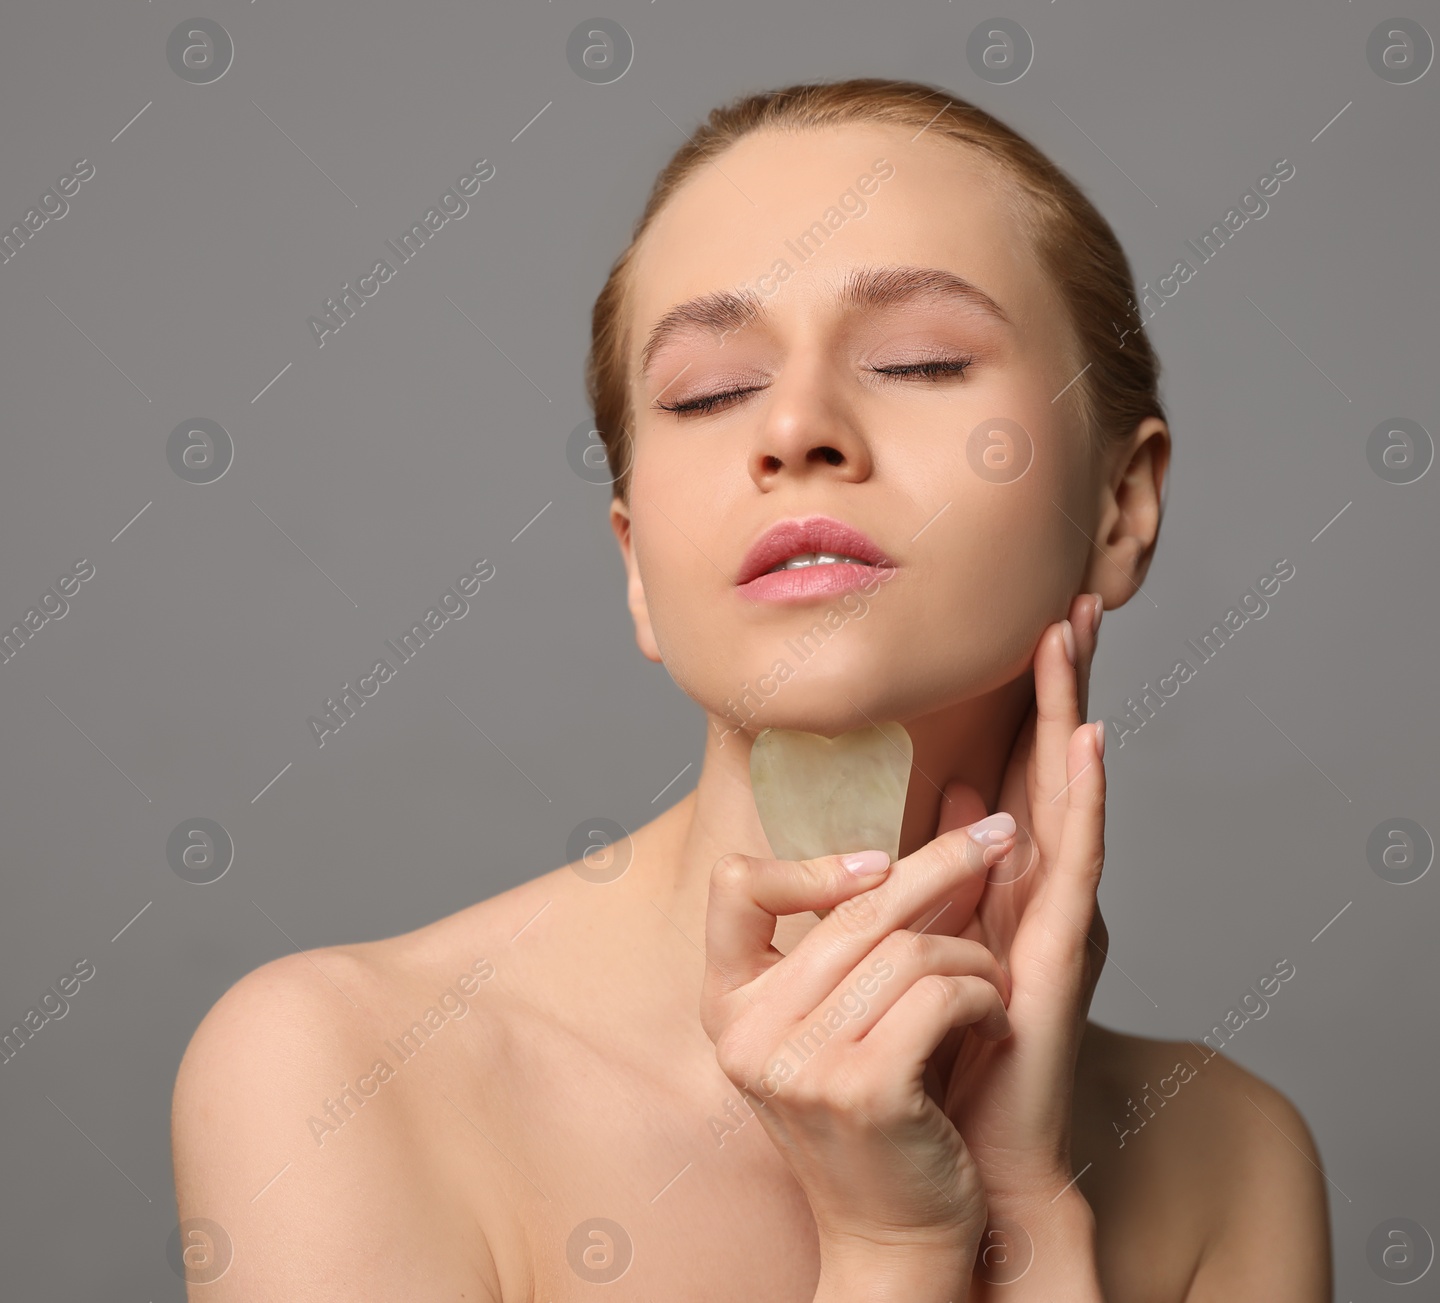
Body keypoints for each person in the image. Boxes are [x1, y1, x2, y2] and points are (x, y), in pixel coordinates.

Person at [172, 77, 1331, 1300]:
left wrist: (1025, 1203)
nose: (793, 427)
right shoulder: (341, 1071)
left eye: (919, 360)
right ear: (635, 562)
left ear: (1120, 505)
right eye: (706, 393)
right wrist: (895, 1252)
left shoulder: (1224, 1158)